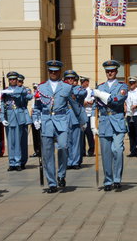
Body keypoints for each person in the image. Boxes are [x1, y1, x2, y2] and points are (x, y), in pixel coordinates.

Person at [32, 60, 84, 193]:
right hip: (47, 121)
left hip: (61, 120)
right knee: (47, 153)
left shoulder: (66, 87)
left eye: (55, 71)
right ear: (48, 71)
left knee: (63, 147)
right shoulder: (41, 87)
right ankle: (52, 183)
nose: (53, 73)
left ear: (60, 71)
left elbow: (74, 104)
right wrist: (36, 119)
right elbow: (37, 106)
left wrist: (83, 120)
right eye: (51, 71)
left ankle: (61, 175)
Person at [91, 60, 128, 191]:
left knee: (117, 150)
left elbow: (117, 100)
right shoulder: (100, 86)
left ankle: (117, 179)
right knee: (106, 154)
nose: (110, 73)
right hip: (104, 122)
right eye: (107, 71)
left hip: (117, 121)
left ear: (117, 72)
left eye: (112, 71)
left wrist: (100, 94)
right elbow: (94, 107)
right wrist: (92, 125)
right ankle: (108, 180)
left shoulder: (122, 86)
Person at [0, 71, 29, 171]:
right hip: (9, 117)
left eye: (14, 79)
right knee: (10, 142)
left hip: (18, 118)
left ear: (17, 80)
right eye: (10, 79)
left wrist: (13, 92)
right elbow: (2, 105)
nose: (12, 81)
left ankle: (18, 162)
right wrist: (2, 118)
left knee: (17, 141)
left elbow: (28, 95)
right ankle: (11, 162)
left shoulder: (22, 89)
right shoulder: (5, 91)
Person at [64, 70, 87, 169]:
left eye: (71, 78)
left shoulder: (78, 88)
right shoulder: (63, 89)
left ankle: (75, 162)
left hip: (76, 117)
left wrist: (71, 91)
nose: (70, 80)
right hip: (65, 118)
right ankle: (69, 161)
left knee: (76, 141)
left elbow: (83, 93)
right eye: (67, 78)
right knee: (67, 141)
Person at [17, 74, 33, 169]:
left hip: (23, 115)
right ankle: (15, 160)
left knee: (23, 140)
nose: (18, 83)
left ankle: (23, 160)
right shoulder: (11, 90)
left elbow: (30, 96)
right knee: (15, 141)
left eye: (20, 82)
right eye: (17, 81)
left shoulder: (25, 90)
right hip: (14, 117)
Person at [81, 76, 94, 157]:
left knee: (89, 133)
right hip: (82, 115)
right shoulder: (80, 90)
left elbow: (92, 101)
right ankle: (82, 151)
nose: (82, 84)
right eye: (81, 82)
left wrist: (86, 102)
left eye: (83, 82)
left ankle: (91, 150)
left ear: (87, 82)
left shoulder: (91, 91)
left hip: (89, 114)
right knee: (82, 134)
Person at [30, 83, 41, 158]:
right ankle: (36, 150)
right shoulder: (33, 97)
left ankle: (40, 151)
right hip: (34, 118)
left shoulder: (40, 97)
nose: (35, 90)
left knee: (39, 136)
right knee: (35, 136)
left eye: (36, 88)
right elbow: (32, 109)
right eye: (34, 88)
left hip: (39, 118)